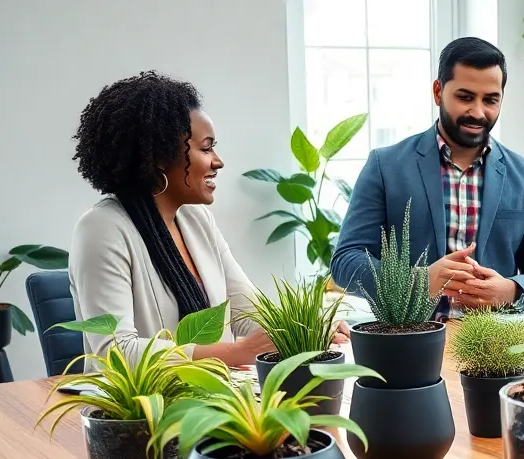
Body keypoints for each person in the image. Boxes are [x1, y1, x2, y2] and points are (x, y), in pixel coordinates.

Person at [68, 70, 347, 368]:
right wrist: (236, 353)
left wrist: (309, 327)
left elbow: (247, 312)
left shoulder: (196, 220)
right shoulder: (101, 229)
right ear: (160, 156)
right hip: (140, 409)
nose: (218, 160)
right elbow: (115, 352)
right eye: (206, 147)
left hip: (215, 398)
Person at [331, 37, 524, 311]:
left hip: (496, 337)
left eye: (490, 100)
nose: (478, 112)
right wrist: (413, 282)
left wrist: (512, 290)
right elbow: (346, 261)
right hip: (409, 334)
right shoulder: (385, 166)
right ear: (437, 92)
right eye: (465, 97)